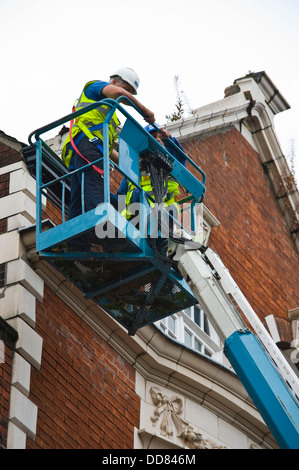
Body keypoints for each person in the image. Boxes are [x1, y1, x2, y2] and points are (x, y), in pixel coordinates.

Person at [62, 67, 155, 221]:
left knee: (78, 199)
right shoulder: (95, 86)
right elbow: (119, 93)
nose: (128, 96)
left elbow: (108, 149)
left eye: (131, 93)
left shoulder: (109, 115)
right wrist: (145, 111)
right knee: (94, 188)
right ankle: (101, 224)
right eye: (127, 89)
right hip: (86, 145)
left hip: (86, 148)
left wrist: (131, 163)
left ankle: (77, 244)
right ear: (114, 81)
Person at [117, 123, 187, 222]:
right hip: (136, 215)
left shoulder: (170, 165)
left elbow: (181, 159)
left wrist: (169, 139)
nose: (158, 139)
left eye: (160, 138)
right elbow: (121, 194)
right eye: (154, 137)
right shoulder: (134, 169)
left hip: (164, 214)